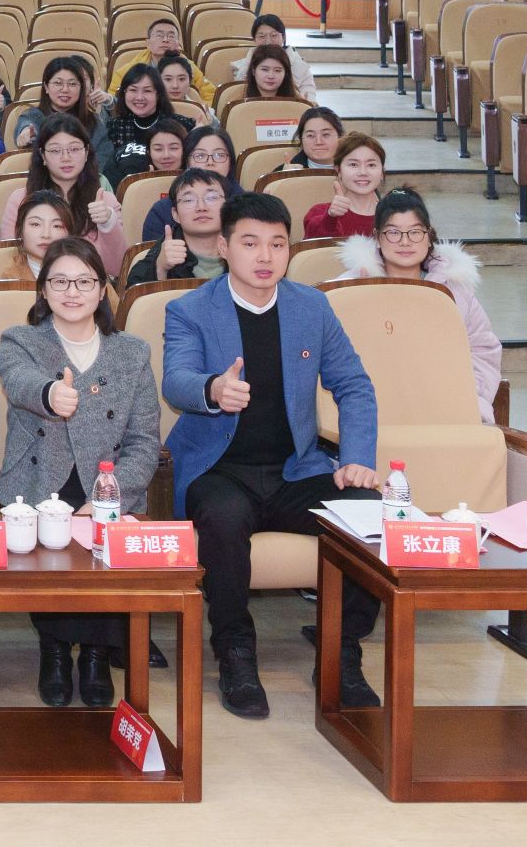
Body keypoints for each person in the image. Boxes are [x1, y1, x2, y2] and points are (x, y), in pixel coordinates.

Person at [162, 191, 382, 718]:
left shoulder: (312, 307)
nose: (265, 256)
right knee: (223, 517)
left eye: (277, 244)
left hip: (295, 471)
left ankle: (341, 649)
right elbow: (176, 379)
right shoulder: (189, 309)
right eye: (250, 243)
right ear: (224, 247)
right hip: (220, 469)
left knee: (371, 513)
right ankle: (235, 651)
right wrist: (213, 389)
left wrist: (357, 457)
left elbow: (354, 386)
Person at [0, 237, 162, 709]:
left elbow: (144, 440)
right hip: (38, 482)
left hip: (109, 483)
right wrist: (51, 394)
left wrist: (110, 493)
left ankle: (94, 654)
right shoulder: (20, 341)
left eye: (84, 282)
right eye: (60, 281)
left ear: (102, 289)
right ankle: (53, 650)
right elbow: (20, 382)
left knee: (104, 530)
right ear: (43, 289)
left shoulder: (131, 352)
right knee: (51, 529)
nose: (72, 292)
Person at [336, 187, 503, 421]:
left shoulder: (456, 290)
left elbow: (483, 350)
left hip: (445, 406)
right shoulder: (350, 289)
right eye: (393, 233)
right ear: (377, 237)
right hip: (375, 408)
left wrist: (463, 395)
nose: (405, 242)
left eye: (415, 232)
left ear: (429, 235)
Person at [0, 114, 125, 274]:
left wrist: (108, 224)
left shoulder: (105, 202)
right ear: (43, 156)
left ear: (86, 153)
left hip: (87, 286)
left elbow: (117, 268)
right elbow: (9, 259)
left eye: (74, 149)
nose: (66, 158)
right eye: (55, 150)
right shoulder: (21, 199)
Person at [127, 168, 231, 286]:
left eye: (212, 197)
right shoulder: (162, 254)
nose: (201, 207)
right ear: (175, 214)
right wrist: (160, 268)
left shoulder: (242, 247)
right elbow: (133, 293)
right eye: (189, 200)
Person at [143, 126, 242, 241]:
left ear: (231, 162)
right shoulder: (163, 210)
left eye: (219, 155)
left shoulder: (246, 206)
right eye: (200, 156)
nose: (210, 162)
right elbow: (152, 252)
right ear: (187, 162)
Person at [101, 65, 190, 189]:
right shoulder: (114, 126)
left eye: (147, 91)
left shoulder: (182, 125)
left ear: (158, 94)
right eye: (133, 90)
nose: (139, 97)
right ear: (124, 93)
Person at [15, 55, 109, 154]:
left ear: (81, 88)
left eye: (72, 84)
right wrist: (25, 132)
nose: (65, 89)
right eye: (58, 83)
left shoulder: (94, 122)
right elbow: (26, 125)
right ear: (46, 87)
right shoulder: (33, 116)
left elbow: (103, 159)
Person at [108, 18, 215, 103]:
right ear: (148, 43)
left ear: (178, 44)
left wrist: (203, 112)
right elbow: (114, 98)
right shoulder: (128, 71)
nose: (165, 39)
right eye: (159, 35)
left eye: (171, 36)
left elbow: (210, 94)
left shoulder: (189, 68)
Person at [304, 133, 387, 239]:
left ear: (382, 172)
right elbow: (313, 245)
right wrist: (330, 218)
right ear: (338, 170)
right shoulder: (320, 212)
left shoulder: (395, 215)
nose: (363, 172)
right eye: (353, 164)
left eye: (371, 165)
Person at [0, 191, 75, 284]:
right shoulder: (5, 280)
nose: (46, 235)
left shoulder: (84, 274)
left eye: (57, 226)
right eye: (36, 224)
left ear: (69, 234)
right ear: (20, 230)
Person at [231, 13, 318, 101]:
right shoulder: (242, 67)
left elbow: (311, 101)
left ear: (283, 37)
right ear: (254, 39)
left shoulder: (301, 69)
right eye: (262, 36)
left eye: (274, 35)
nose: (268, 41)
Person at [155, 55, 212, 129]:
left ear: (190, 81)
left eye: (181, 79)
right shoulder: (149, 109)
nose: (175, 86)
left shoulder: (201, 110)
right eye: (168, 79)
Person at [291, 105, 345, 170]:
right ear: (301, 139)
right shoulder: (285, 174)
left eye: (326, 134)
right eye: (310, 135)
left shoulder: (355, 169)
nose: (318, 142)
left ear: (340, 136)